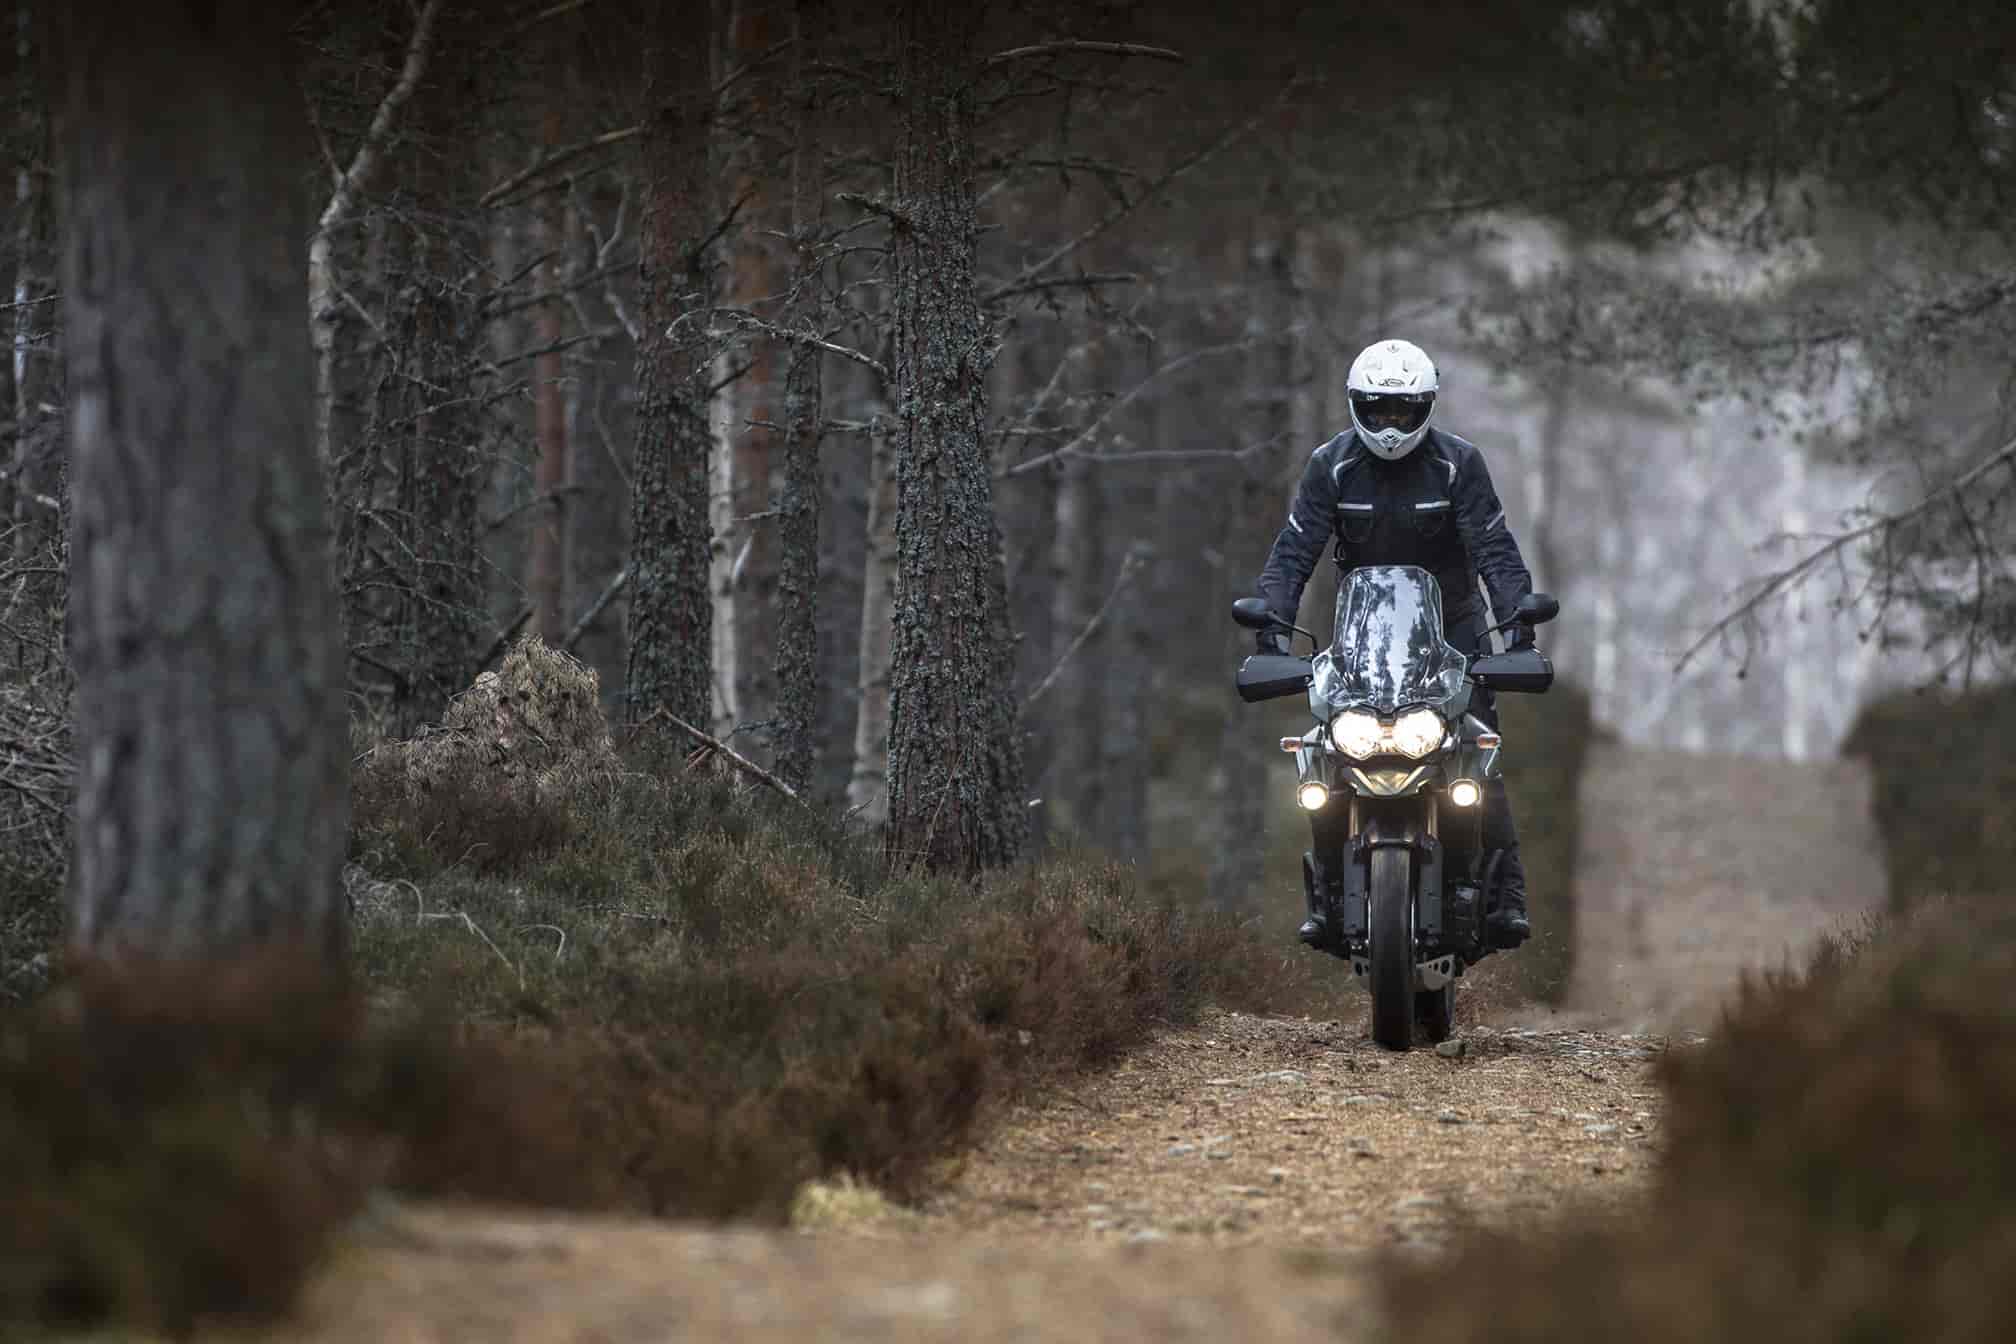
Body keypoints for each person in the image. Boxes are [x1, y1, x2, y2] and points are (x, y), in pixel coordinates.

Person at [1253, 338, 1535, 950]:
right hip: (1362, 634)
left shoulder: (1459, 464)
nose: (1390, 423)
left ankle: (1505, 896)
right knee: (1325, 752)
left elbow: (1494, 546)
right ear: (1355, 405)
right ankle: (1330, 896)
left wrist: (1518, 622)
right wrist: (1271, 624)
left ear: (1427, 406)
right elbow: (1294, 550)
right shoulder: (1330, 465)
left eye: (1404, 410)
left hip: (1452, 629)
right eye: (1377, 409)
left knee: (1479, 748)